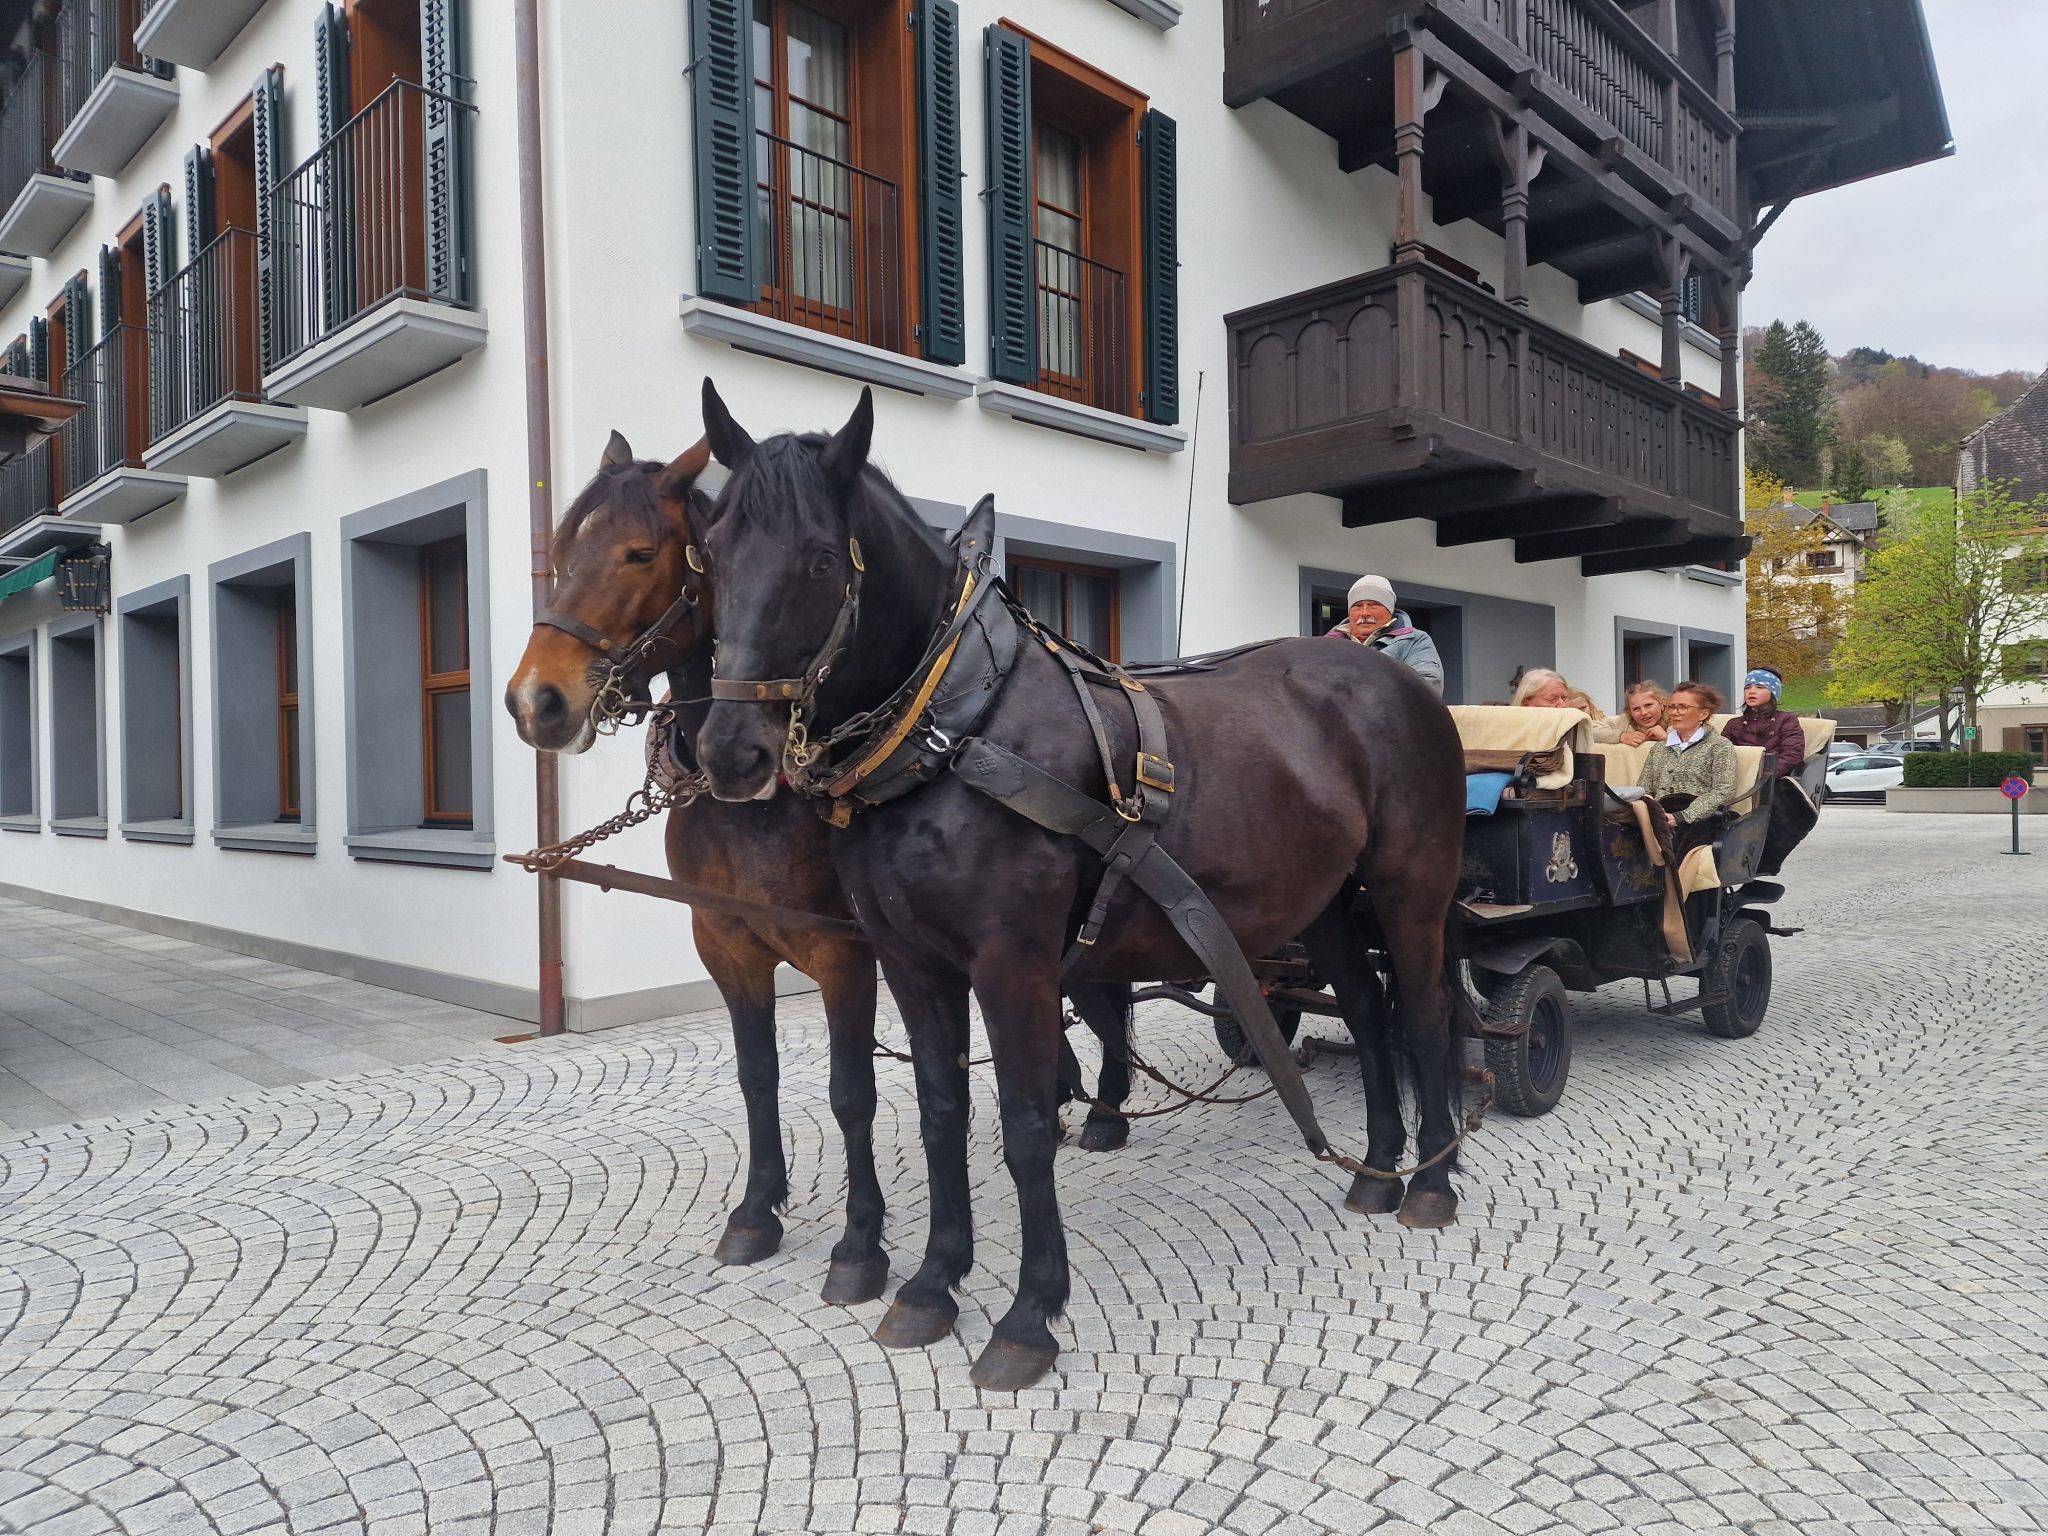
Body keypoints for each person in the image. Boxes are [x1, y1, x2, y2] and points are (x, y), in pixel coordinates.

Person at [1636, 682, 1736, 861]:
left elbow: (1724, 791)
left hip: (1698, 820)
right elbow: (1644, 787)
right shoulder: (1659, 748)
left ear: (1703, 714)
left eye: (1683, 707)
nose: (1674, 713)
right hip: (1659, 816)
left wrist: (1682, 817)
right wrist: (1651, 812)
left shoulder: (1720, 746)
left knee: (1676, 847)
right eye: (1672, 707)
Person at [1325, 575, 1444, 695]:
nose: (1365, 613)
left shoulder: (1415, 640)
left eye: (1373, 605)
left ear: (1390, 610)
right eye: (1358, 606)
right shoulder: (1327, 644)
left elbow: (1428, 686)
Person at [1717, 666, 1806, 780]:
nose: (1751, 691)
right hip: (1737, 781)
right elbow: (1721, 755)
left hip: (1772, 784)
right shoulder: (1733, 724)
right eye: (1747, 687)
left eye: (1760, 687)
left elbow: (1792, 756)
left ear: (1773, 693)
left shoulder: (1787, 720)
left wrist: (1763, 777)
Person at [1593, 681, 1668, 745]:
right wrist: (1621, 736)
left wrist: (1666, 739)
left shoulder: (1673, 723)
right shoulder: (1624, 721)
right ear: (1630, 712)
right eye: (1636, 709)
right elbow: (1590, 730)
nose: (1643, 713)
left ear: (1662, 703)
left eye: (1648, 705)